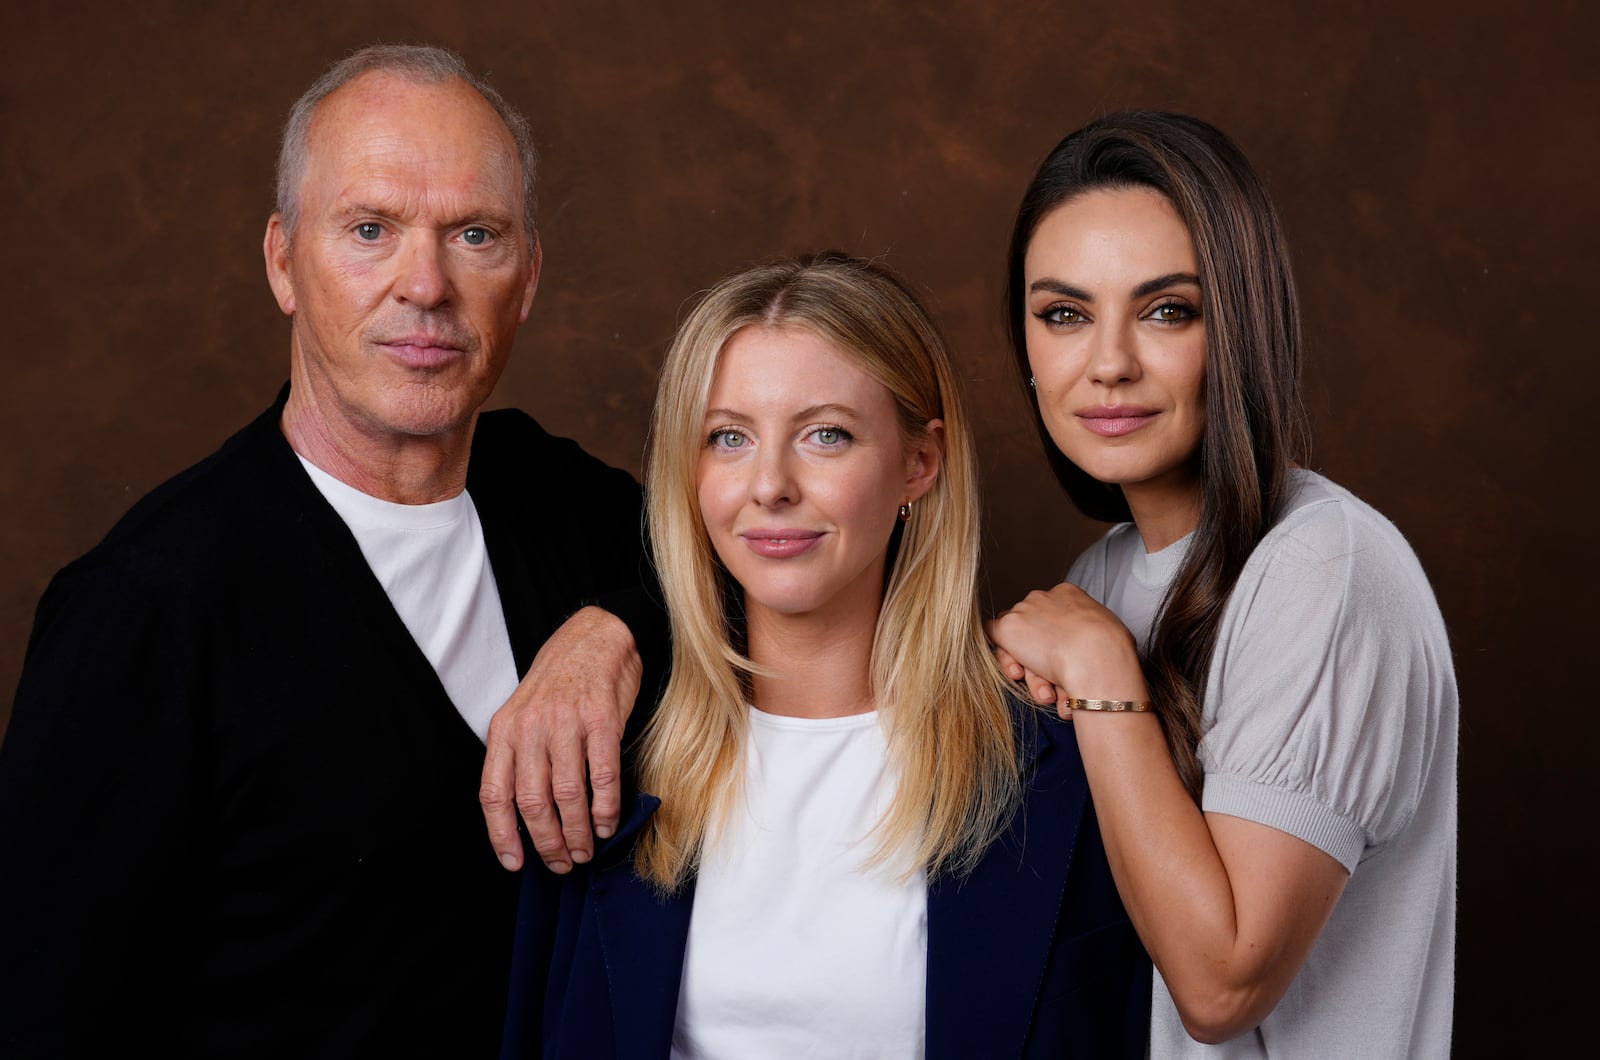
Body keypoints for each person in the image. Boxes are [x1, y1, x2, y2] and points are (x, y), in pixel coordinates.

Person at [0, 45, 659, 1056]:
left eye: (473, 234)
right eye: (369, 230)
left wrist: (605, 634)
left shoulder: (555, 497)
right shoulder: (146, 610)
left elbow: (745, 572)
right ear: (282, 263)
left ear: (526, 278)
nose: (425, 284)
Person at [501, 252, 1152, 1059]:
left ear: (921, 462)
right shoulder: (601, 761)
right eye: (729, 437)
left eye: (825, 435)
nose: (770, 484)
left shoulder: (1055, 764)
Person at [985, 112, 1458, 1058]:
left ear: (1241, 322)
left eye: (1168, 310)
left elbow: (1221, 981)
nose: (1109, 363)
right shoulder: (1105, 576)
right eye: (1064, 314)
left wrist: (1099, 668)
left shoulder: (1326, 568)